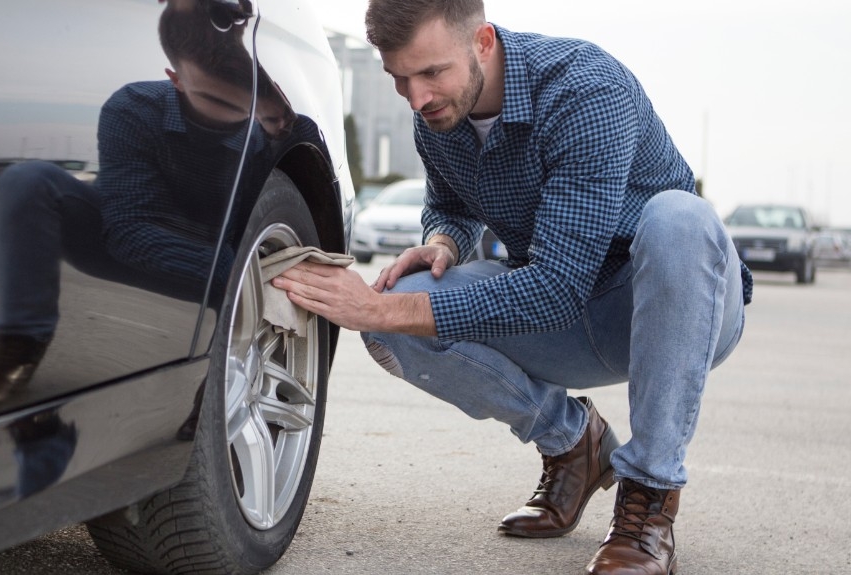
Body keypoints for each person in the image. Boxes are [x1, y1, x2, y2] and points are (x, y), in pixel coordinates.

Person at [269, 1, 751, 572]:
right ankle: (574, 444)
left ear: (483, 42)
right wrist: (444, 241)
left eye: (431, 73)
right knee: (394, 326)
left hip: (673, 308)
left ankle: (647, 498)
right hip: (570, 320)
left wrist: (378, 305)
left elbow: (554, 287)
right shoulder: (440, 116)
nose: (417, 97)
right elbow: (448, 202)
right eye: (399, 78)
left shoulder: (586, 88)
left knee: (680, 219)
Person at [0, 0, 303, 404]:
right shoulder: (134, 107)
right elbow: (129, 235)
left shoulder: (269, 128)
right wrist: (247, 282)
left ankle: (226, 384)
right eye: (214, 99)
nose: (232, 115)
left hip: (225, 267)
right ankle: (19, 343)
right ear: (174, 79)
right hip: (131, 240)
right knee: (28, 180)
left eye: (240, 104)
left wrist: (286, 127)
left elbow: (303, 236)